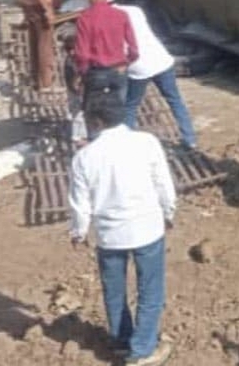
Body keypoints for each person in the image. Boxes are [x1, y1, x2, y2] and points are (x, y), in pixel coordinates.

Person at [70, 95, 176, 366]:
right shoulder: (146, 142)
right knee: (150, 290)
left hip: (110, 235)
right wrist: (169, 211)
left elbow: (80, 204)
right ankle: (142, 350)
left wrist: (79, 232)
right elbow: (163, 182)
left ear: (95, 121)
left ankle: (121, 340)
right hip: (147, 228)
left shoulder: (84, 158)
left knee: (114, 290)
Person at [115, 0, 197, 152]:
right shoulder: (136, 10)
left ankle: (127, 141)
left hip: (138, 67)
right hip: (161, 59)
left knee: (131, 105)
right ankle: (190, 139)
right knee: (175, 100)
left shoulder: (109, 19)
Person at [74, 0, 138, 113]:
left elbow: (82, 53)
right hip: (119, 69)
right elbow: (133, 48)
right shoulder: (121, 15)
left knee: (93, 113)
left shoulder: (85, 18)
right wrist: (126, 63)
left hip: (96, 71)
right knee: (118, 112)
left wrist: (82, 73)